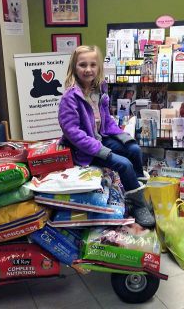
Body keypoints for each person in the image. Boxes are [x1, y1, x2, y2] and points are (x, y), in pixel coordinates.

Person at [58, 45, 155, 227]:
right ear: (74, 67)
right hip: (84, 149)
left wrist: (122, 136)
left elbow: (106, 120)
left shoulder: (99, 90)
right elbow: (72, 133)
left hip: (100, 138)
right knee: (124, 165)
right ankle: (137, 204)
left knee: (134, 150)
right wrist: (101, 150)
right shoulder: (70, 98)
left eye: (93, 65)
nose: (88, 69)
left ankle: (137, 193)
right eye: (82, 65)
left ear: (99, 67)